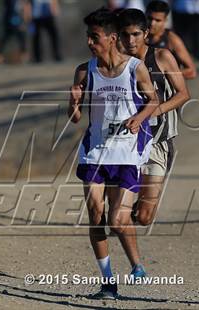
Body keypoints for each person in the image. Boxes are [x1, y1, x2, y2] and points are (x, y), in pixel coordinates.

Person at [68, 8, 159, 299]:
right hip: (94, 153)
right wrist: (73, 103)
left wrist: (139, 118)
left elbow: (154, 101)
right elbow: (75, 119)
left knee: (119, 221)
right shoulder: (85, 71)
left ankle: (137, 266)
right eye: (88, 37)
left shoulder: (135, 68)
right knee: (96, 216)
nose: (89, 42)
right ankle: (108, 283)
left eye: (94, 37)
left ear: (110, 38)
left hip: (127, 154)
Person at [117, 8, 190, 226]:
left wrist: (153, 110)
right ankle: (117, 217)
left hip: (158, 141)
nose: (131, 40)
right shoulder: (118, 63)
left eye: (136, 34)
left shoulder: (162, 56)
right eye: (125, 34)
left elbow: (184, 94)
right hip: (126, 142)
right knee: (118, 207)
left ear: (146, 34)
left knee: (145, 217)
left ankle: (128, 214)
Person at [145, 0, 196, 79]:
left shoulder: (172, 40)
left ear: (165, 20)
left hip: (167, 90)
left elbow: (191, 71)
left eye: (157, 20)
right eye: (149, 18)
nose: (152, 23)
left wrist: (163, 75)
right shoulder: (138, 36)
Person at [0, 0, 31, 64]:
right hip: (8, 21)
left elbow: (26, 7)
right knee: (4, 39)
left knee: (21, 39)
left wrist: (25, 21)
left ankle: (24, 58)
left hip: (19, 21)